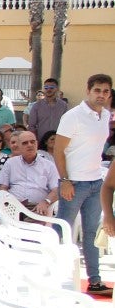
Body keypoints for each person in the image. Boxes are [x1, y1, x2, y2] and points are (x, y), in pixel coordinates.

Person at [54, 74, 113, 295]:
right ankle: (54, 279)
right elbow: (58, 150)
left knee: (90, 233)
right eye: (97, 90)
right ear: (88, 91)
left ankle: (95, 281)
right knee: (63, 232)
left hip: (96, 182)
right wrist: (65, 180)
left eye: (106, 91)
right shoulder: (73, 116)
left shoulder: (105, 115)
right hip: (74, 183)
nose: (101, 95)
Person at [0, 129, 59, 214]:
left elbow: (56, 190)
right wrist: (7, 203)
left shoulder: (49, 165)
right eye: (25, 143)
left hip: (39, 207)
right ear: (19, 146)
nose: (29, 145)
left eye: (32, 142)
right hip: (13, 207)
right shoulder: (10, 163)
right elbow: (3, 188)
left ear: (37, 144)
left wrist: (46, 201)